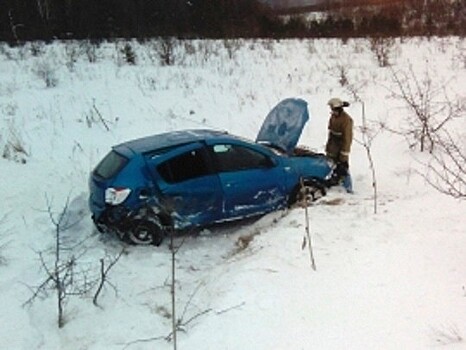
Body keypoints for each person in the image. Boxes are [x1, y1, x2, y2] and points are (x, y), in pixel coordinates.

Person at [325, 97, 353, 193]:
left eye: (333, 109)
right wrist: (328, 146)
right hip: (333, 146)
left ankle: (348, 187)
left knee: (343, 167)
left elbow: (347, 137)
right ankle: (335, 181)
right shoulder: (333, 116)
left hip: (341, 146)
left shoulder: (346, 120)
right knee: (332, 165)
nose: (332, 111)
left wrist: (344, 153)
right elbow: (331, 131)